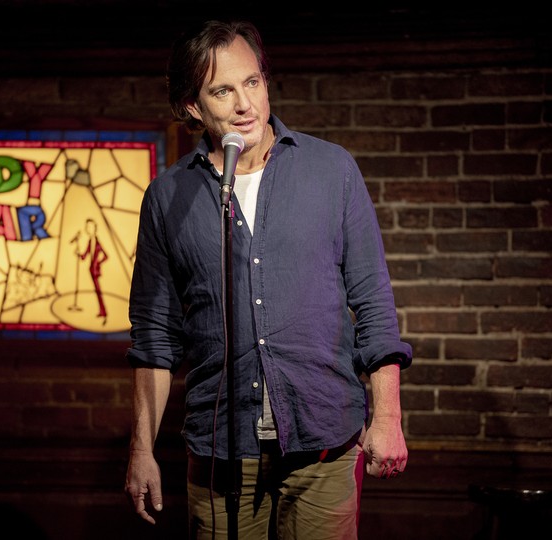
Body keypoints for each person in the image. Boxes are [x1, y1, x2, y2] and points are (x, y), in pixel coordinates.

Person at [124, 19, 412, 540]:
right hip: (220, 455)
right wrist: (142, 450)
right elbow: (153, 339)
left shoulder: (331, 170)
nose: (244, 104)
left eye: (253, 82)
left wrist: (387, 416)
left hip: (323, 441)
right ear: (192, 107)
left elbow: (372, 302)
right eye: (222, 90)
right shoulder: (168, 199)